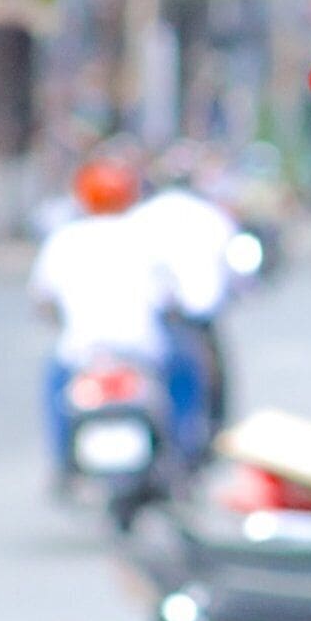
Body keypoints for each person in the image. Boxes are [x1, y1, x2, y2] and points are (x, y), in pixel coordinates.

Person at [29, 156, 175, 490]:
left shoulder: (65, 240)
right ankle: (176, 455)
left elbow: (43, 301)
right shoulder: (146, 237)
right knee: (178, 383)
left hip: (81, 351)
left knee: (56, 387)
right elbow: (169, 299)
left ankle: (61, 464)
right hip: (142, 350)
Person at [127, 145, 241, 463]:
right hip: (189, 319)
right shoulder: (212, 216)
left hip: (159, 318)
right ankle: (201, 442)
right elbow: (236, 268)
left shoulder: (139, 217)